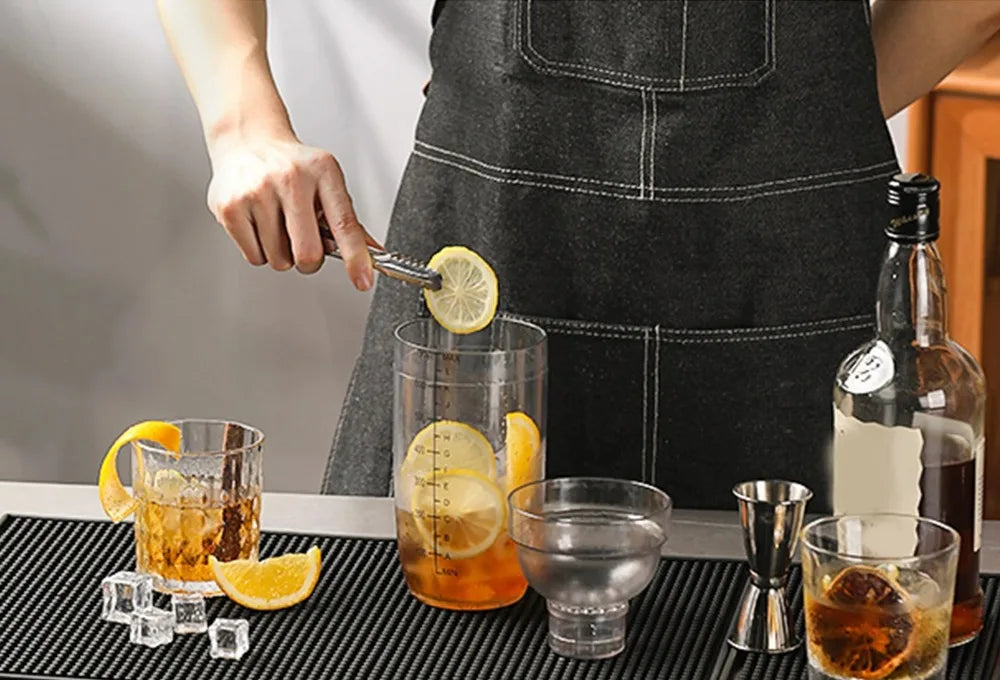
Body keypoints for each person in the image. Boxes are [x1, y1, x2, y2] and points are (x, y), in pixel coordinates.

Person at [157, 0, 1000, 510]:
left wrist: (245, 128)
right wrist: (799, 130)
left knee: (436, 677)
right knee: (813, 672)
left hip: (505, 224)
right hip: (525, 246)